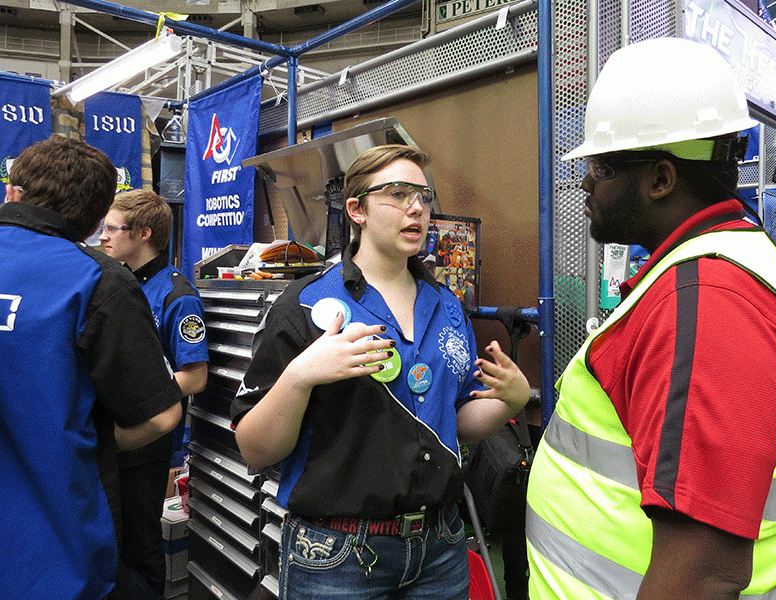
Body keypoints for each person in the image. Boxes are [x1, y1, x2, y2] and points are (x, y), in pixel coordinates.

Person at [525, 38, 776, 600]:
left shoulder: (711, 300)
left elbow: (705, 573)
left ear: (661, 179)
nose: (586, 183)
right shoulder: (702, 272)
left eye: (601, 166)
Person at [231, 144, 530, 600]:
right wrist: (299, 376)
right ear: (357, 210)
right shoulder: (306, 306)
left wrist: (509, 399)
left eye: (425, 197)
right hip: (338, 556)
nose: (417, 207)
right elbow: (253, 447)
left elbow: (455, 423)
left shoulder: (448, 308)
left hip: (440, 548)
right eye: (397, 193)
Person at [0, 135, 184, 600]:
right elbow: (161, 416)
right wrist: (81, 444)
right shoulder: (97, 281)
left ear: (12, 193)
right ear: (94, 219)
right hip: (50, 557)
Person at [98, 189, 209, 599]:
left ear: (144, 233)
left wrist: (140, 400)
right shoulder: (118, 284)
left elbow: (195, 378)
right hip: (118, 435)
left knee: (141, 545)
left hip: (153, 443)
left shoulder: (177, 295)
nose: (102, 236)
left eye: (112, 228)